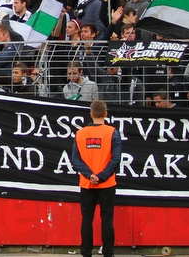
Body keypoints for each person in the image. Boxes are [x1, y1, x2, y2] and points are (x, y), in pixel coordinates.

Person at [72, 99, 122, 257]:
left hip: (87, 184)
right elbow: (116, 158)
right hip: (107, 184)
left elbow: (75, 159)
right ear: (106, 114)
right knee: (107, 219)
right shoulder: (112, 132)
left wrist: (89, 175)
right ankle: (108, 253)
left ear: (91, 114)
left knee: (87, 219)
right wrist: (101, 177)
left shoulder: (80, 133)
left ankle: (86, 253)